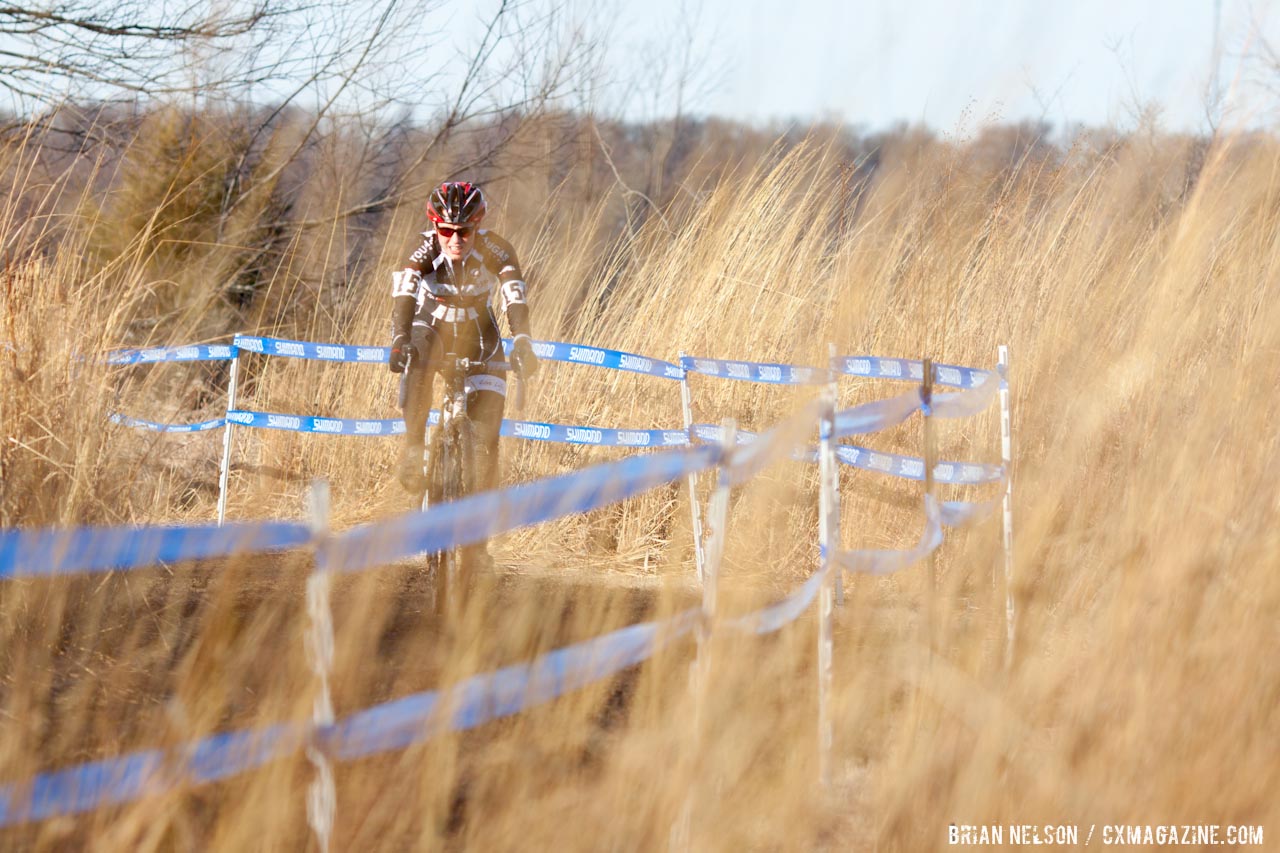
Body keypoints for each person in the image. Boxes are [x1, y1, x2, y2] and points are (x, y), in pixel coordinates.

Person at [387, 181, 539, 504]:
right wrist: (400, 338)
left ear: (477, 226)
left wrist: (523, 341)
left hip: (479, 331)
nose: (455, 240)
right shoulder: (422, 249)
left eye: (465, 232)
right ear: (435, 226)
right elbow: (404, 293)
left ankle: (476, 544)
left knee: (487, 442)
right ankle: (415, 450)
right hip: (431, 325)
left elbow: (514, 296)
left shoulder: (496, 249)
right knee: (418, 353)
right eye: (446, 231)